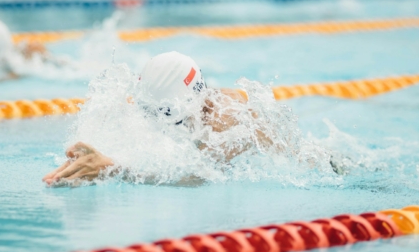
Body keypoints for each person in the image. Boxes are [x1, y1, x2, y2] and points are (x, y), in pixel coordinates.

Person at [42, 51, 277, 186]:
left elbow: (195, 178)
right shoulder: (166, 101)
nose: (161, 124)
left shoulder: (227, 116)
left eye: (170, 118)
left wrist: (113, 168)